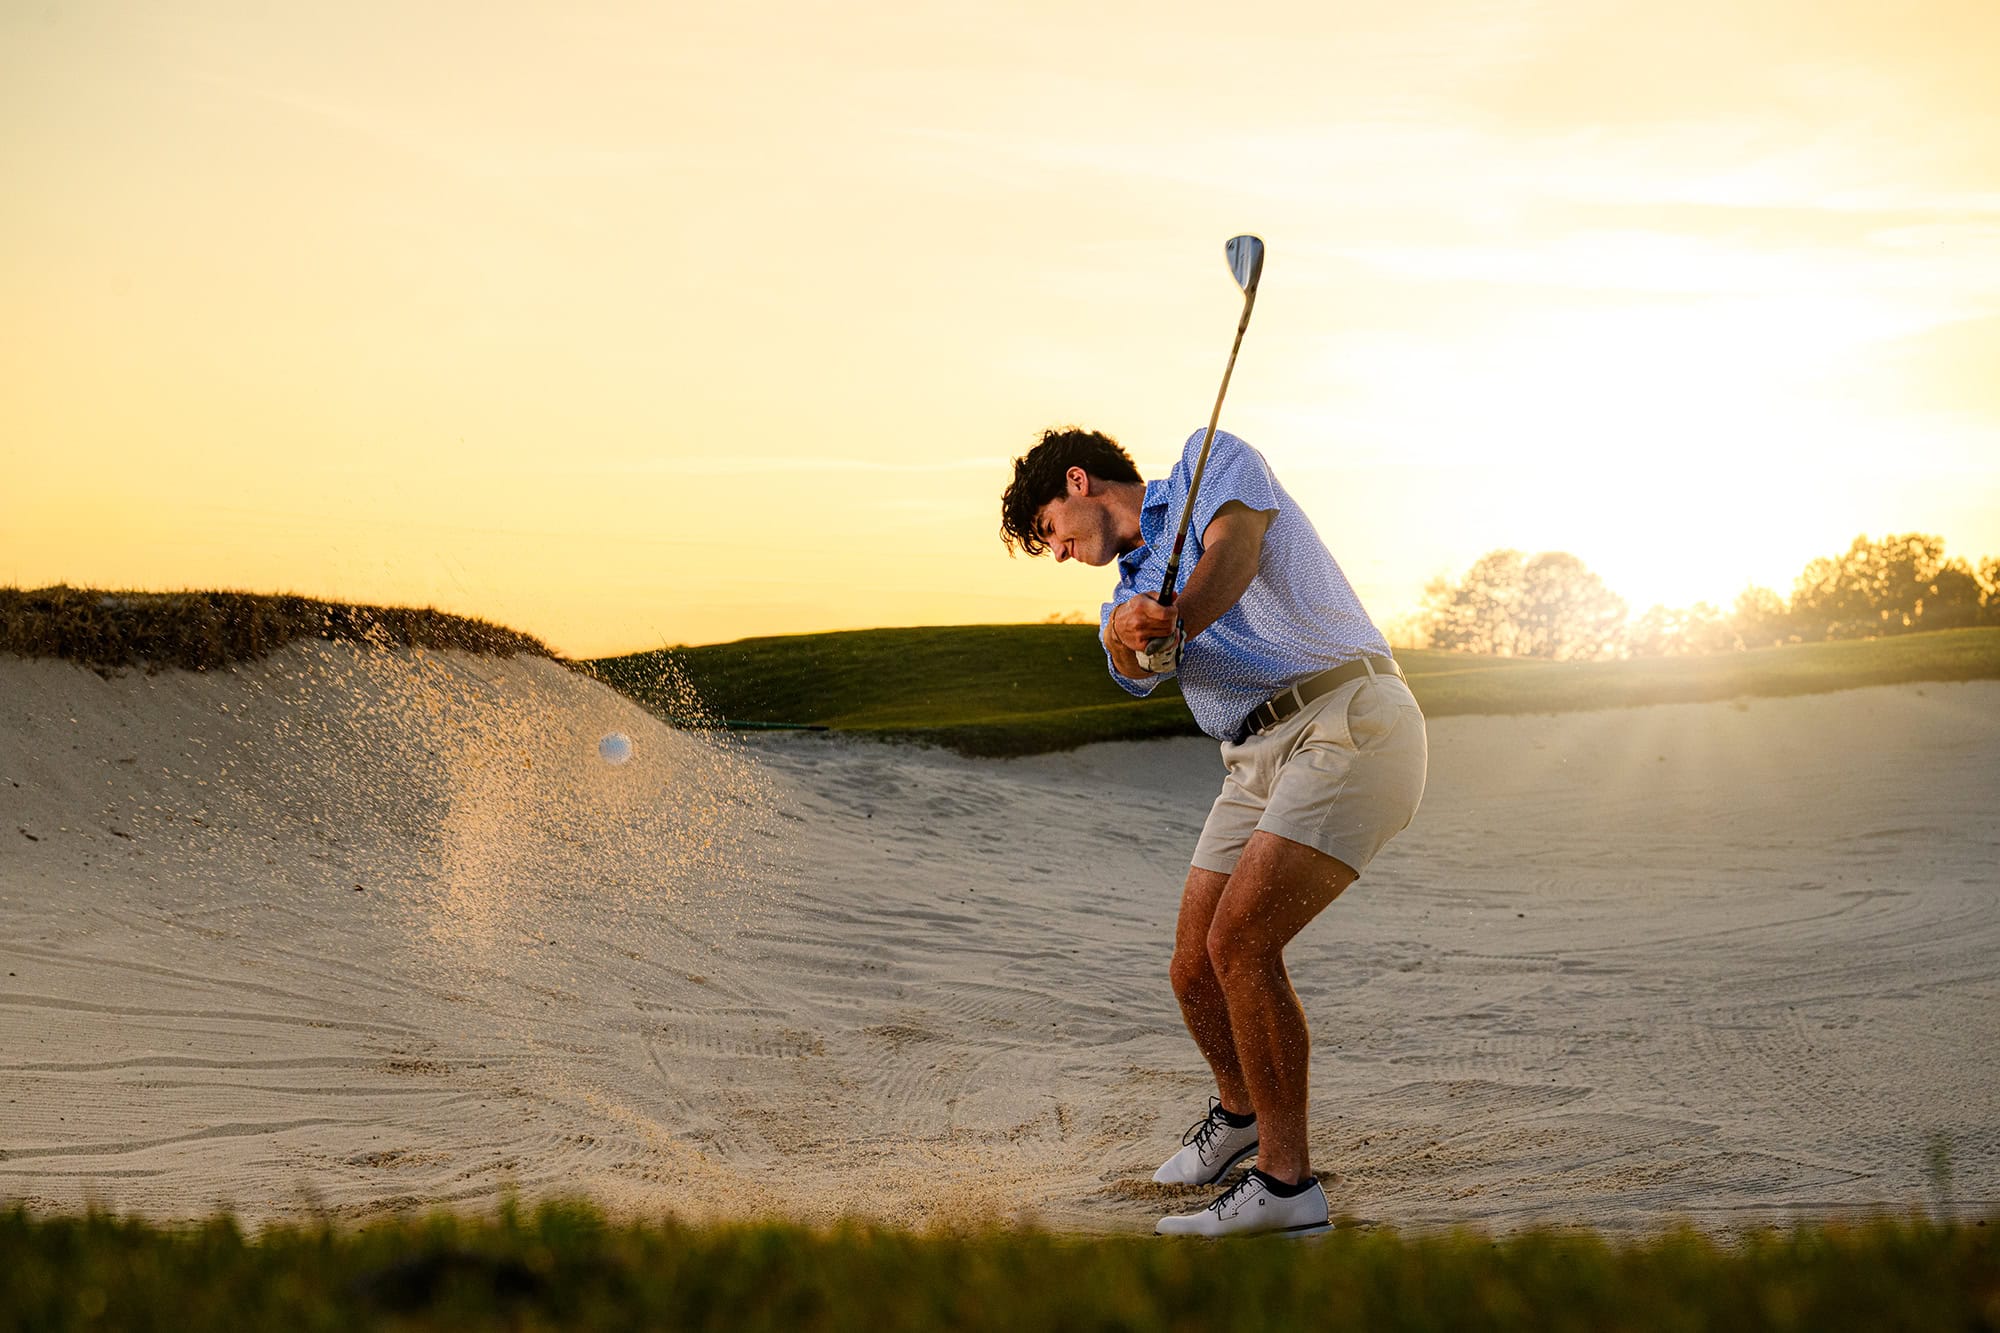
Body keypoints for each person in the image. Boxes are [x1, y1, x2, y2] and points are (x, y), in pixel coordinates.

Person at [999, 424, 1428, 1238]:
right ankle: (1241, 1115)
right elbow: (1129, 662)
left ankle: (1286, 1185)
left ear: (1079, 483)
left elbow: (1235, 553)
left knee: (1243, 943)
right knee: (1195, 966)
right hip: (1253, 757)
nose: (1056, 552)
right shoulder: (1122, 594)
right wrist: (1137, 635)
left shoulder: (1208, 461)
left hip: (1346, 716)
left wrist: (1180, 618)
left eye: (1049, 532)